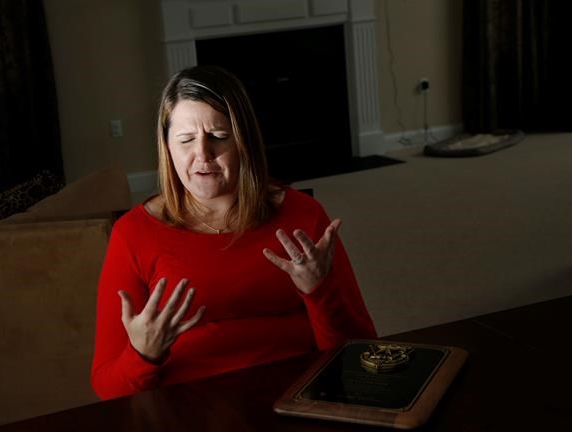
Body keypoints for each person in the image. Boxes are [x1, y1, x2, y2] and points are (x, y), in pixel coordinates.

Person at [91, 65, 377, 400]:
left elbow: (360, 352)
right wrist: (143, 354)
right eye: (185, 140)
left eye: (218, 136)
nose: (202, 154)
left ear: (245, 142)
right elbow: (107, 387)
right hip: (191, 409)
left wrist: (319, 292)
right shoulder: (133, 234)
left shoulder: (304, 215)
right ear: (167, 147)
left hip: (298, 397)